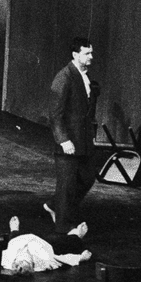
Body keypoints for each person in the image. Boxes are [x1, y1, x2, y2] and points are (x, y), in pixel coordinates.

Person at [47, 36, 98, 231]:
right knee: (67, 186)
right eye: (87, 53)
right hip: (68, 142)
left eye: (91, 52)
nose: (91, 57)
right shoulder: (64, 77)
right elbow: (55, 114)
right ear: (75, 55)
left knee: (87, 177)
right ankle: (64, 229)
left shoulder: (84, 76)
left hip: (83, 140)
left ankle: (54, 206)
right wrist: (63, 140)